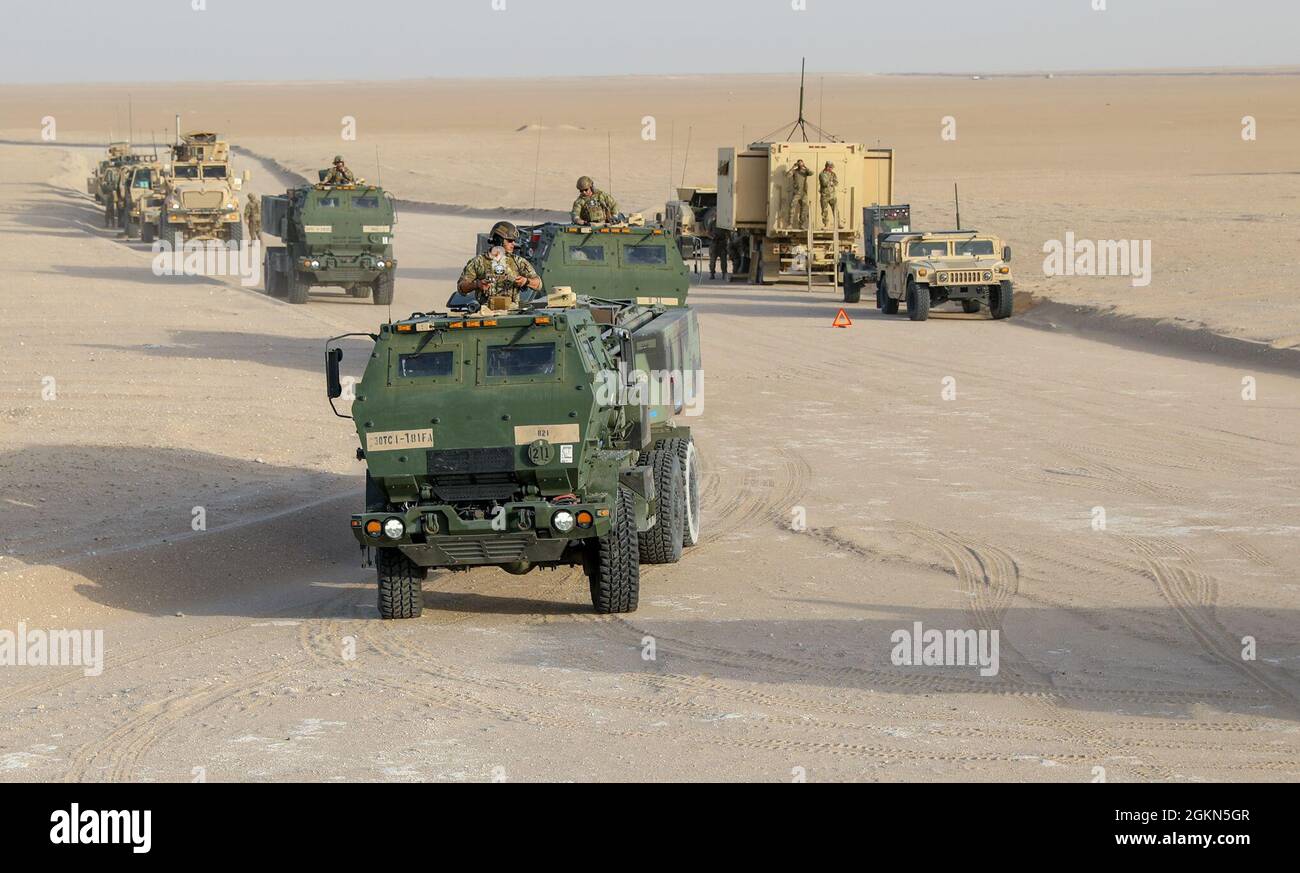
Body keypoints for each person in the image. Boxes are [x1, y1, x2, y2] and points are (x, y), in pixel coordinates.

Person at [456, 220, 542, 306]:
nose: (513, 244)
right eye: (510, 241)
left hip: (511, 313)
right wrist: (477, 284)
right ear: (498, 240)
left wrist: (525, 281)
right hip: (486, 313)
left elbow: (538, 284)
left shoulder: (518, 262)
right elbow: (461, 287)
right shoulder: (478, 262)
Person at [787, 159, 813, 228]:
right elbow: (787, 175)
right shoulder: (795, 171)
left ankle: (801, 224)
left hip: (803, 193)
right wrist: (793, 167)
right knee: (792, 207)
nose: (800, 165)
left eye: (801, 163)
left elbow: (811, 173)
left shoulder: (805, 172)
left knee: (804, 208)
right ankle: (790, 224)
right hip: (796, 193)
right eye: (799, 164)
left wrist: (805, 166)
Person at [819, 161, 839, 227]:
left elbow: (836, 182)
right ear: (827, 167)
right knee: (824, 211)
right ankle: (826, 224)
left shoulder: (833, 174)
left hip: (832, 195)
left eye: (832, 168)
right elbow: (824, 183)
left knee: (835, 210)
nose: (831, 169)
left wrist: (832, 183)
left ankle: (838, 223)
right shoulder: (822, 174)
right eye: (830, 167)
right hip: (824, 195)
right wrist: (831, 182)